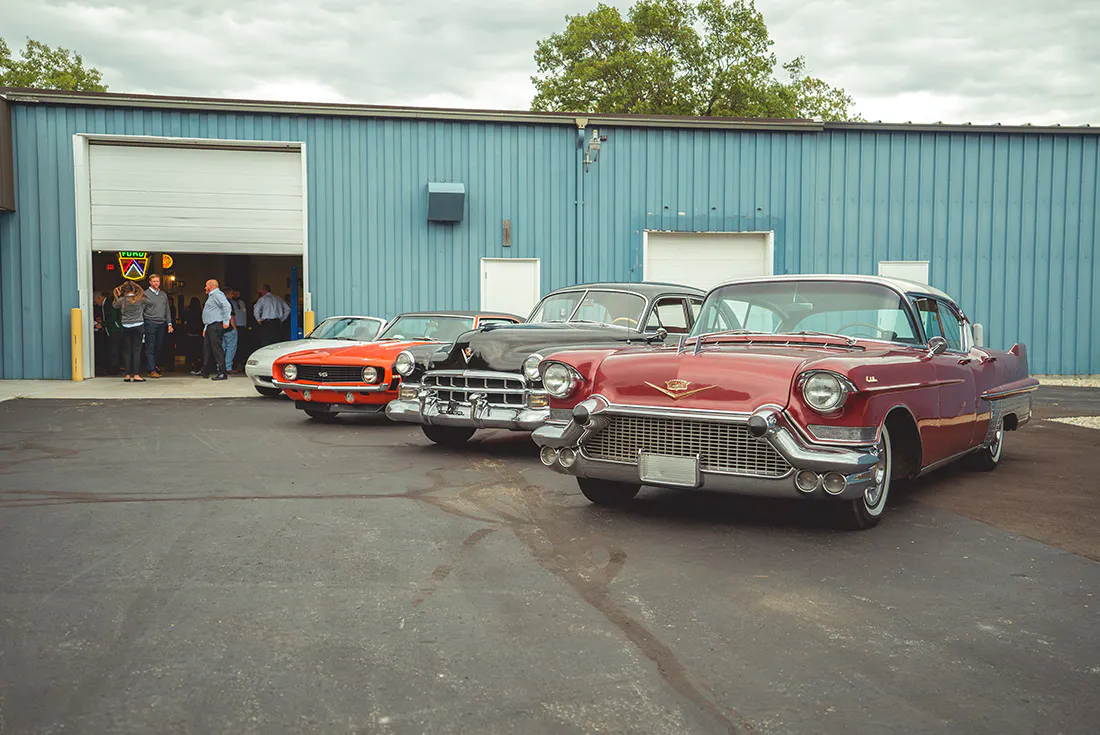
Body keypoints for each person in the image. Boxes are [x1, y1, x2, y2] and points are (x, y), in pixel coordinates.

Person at [193, 279, 231, 380]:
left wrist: (226, 321)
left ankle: (222, 372)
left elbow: (226, 306)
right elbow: (211, 313)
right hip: (210, 325)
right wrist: (206, 327)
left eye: (206, 286)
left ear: (211, 286)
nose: (205, 288)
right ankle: (205, 370)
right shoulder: (211, 296)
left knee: (216, 348)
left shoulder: (217, 294)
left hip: (215, 325)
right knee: (207, 348)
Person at [112, 281, 146, 382]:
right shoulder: (140, 299)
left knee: (126, 350)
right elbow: (148, 304)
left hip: (126, 325)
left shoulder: (122, 301)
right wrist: (139, 290)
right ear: (134, 289)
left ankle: (127, 375)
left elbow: (114, 305)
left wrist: (117, 295)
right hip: (138, 325)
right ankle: (136, 375)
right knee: (136, 350)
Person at [142, 273, 174, 378]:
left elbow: (167, 310)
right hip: (150, 322)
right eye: (154, 281)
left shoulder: (163, 295)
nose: (156, 283)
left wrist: (169, 324)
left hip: (161, 323)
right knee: (150, 346)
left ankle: (153, 366)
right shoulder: (145, 294)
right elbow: (141, 310)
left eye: (158, 281)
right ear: (150, 282)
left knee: (159, 346)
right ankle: (152, 369)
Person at [94, 292, 123, 375]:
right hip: (111, 330)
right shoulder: (106, 304)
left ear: (99, 298)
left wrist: (102, 324)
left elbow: (112, 317)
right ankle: (113, 368)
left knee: (114, 350)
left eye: (95, 301)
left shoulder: (109, 304)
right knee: (113, 350)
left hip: (114, 330)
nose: (96, 304)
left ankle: (113, 370)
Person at [223, 288, 247, 372]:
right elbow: (231, 317)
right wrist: (234, 329)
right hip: (230, 327)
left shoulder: (220, 302)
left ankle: (221, 367)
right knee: (230, 348)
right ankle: (228, 367)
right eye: (232, 293)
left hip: (221, 327)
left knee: (223, 347)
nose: (233, 295)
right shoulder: (229, 303)